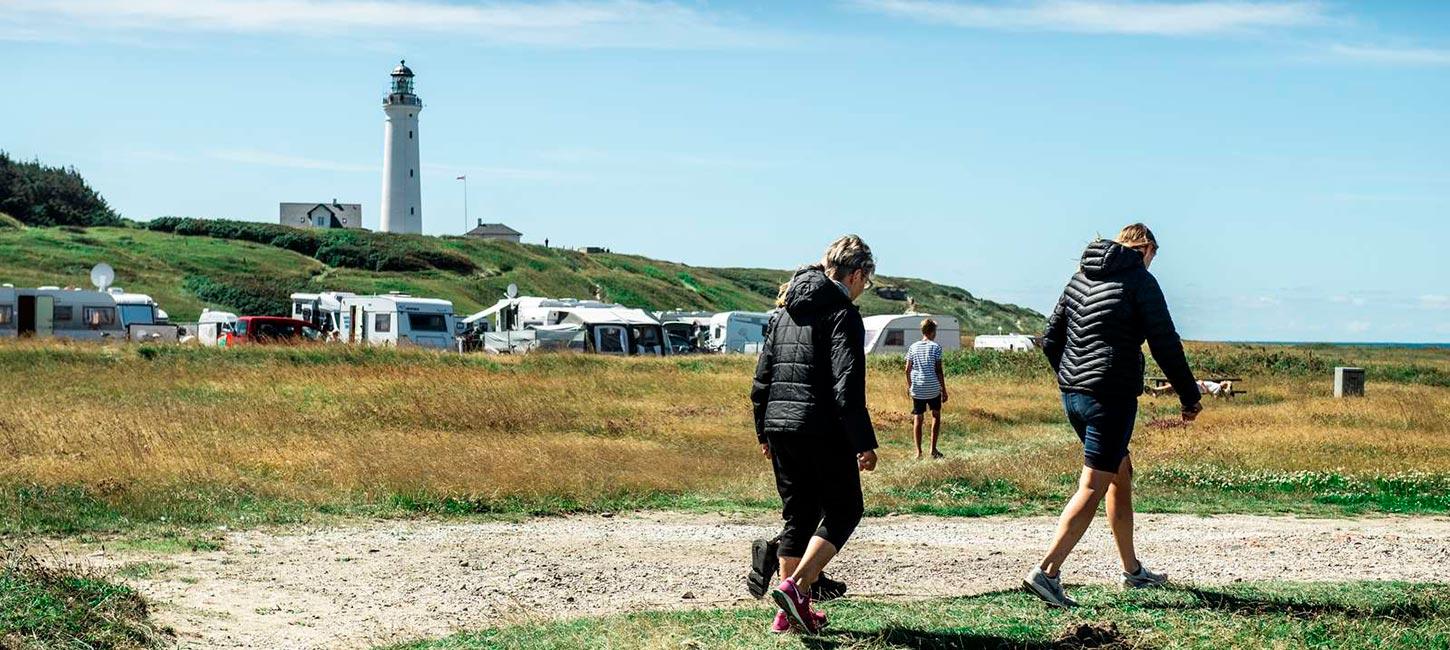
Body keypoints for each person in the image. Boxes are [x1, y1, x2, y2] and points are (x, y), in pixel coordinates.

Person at [1025, 223, 1203, 608]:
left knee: (1119, 475)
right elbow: (1165, 344)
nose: (1154, 261)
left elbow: (1052, 338)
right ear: (1145, 248)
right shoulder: (1140, 281)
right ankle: (1047, 572)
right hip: (1110, 397)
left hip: (1074, 395)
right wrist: (1189, 396)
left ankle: (1132, 570)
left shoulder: (1079, 278)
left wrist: (1072, 375)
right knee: (1093, 484)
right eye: (1154, 253)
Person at [750, 234, 879, 634]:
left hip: (780, 426)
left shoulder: (784, 311)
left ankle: (788, 617)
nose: (864, 290)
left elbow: (761, 379)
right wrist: (864, 443)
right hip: (821, 428)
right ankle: (797, 586)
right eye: (866, 282)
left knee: (799, 516)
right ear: (857, 274)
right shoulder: (842, 312)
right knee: (845, 510)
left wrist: (765, 434)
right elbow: (847, 385)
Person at [905, 318, 948, 459]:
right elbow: (939, 370)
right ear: (932, 331)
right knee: (935, 415)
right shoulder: (936, 347)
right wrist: (944, 389)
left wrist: (910, 386)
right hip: (932, 387)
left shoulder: (913, 347)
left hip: (918, 387)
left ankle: (918, 452)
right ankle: (933, 450)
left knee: (918, 418)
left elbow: (907, 369)